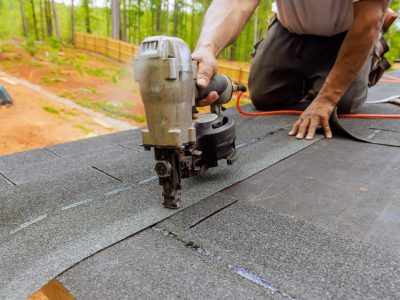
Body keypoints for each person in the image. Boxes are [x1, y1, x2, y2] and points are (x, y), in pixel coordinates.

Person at [192, 0, 390, 140]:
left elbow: (368, 20)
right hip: (291, 28)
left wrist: (327, 98)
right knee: (264, 96)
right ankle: (314, 78)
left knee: (342, 104)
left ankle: (371, 52)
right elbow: (235, 3)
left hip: (348, 31)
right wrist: (207, 48)